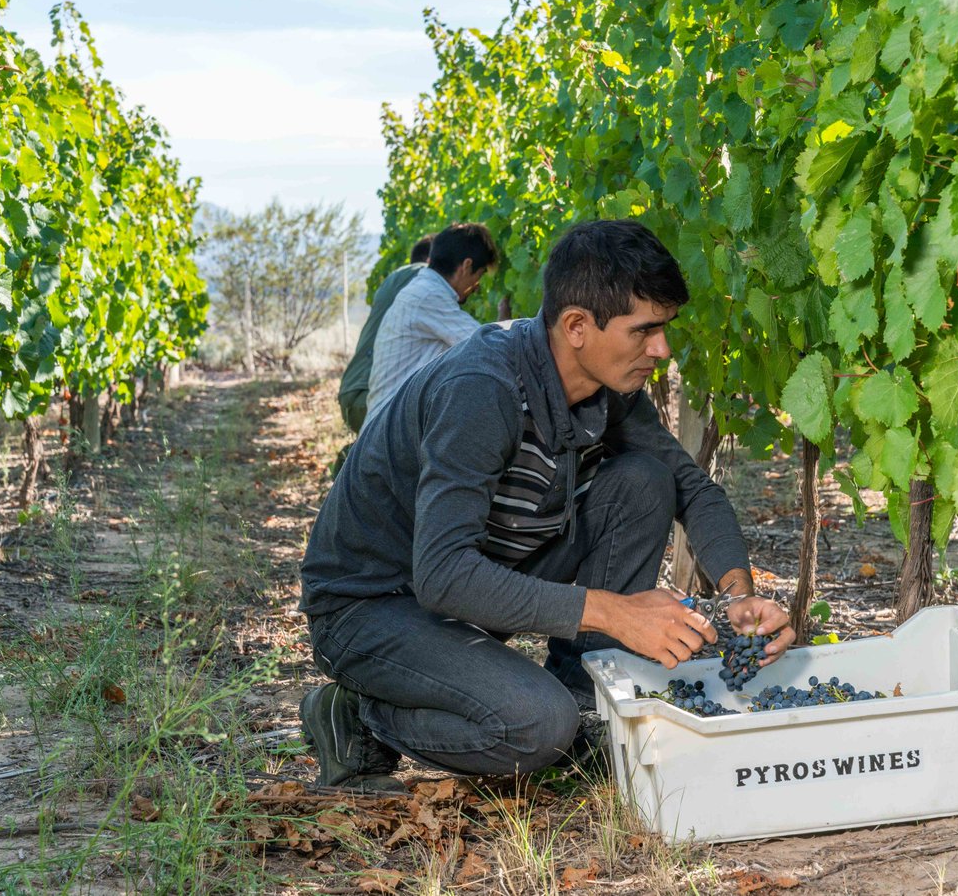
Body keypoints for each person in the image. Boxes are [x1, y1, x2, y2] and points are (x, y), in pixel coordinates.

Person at [298, 219, 793, 791]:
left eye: (665, 328)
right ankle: (358, 715)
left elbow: (693, 489)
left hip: (472, 580)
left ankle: (584, 700)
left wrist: (738, 596)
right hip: (372, 605)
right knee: (536, 725)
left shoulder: (607, 388)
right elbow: (442, 575)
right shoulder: (483, 388)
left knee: (645, 481)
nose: (662, 349)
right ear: (577, 326)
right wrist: (615, 612)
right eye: (644, 330)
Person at [362, 222, 497, 424]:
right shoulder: (428, 295)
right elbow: (488, 347)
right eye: (480, 275)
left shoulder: (421, 289)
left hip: (388, 425)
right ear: (467, 266)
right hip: (390, 432)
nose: (476, 287)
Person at [337, 235, 434, 434]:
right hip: (368, 398)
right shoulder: (423, 277)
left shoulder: (397, 277)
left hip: (354, 392)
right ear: (432, 259)